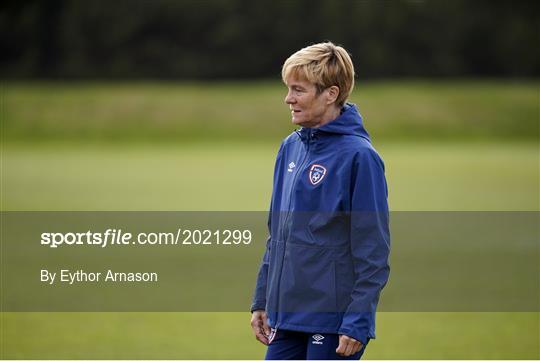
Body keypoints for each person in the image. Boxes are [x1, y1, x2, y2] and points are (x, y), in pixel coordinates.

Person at [250, 42, 390, 360]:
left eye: (298, 90)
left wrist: (358, 321)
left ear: (330, 93)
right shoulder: (290, 148)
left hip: (332, 322)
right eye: (288, 89)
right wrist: (262, 299)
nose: (288, 98)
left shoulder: (360, 158)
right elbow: (278, 235)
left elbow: (373, 251)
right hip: (286, 316)